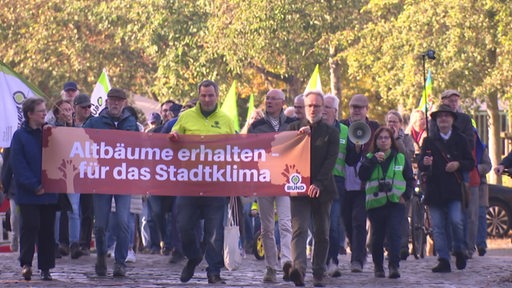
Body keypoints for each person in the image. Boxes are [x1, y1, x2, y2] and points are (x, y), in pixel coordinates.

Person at [169, 80, 235, 285]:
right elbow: (172, 140)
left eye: (211, 95)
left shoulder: (226, 120)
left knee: (214, 231)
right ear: (199, 96)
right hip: (189, 183)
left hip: (216, 183)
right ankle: (194, 256)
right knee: (184, 225)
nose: (207, 99)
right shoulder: (186, 117)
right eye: (203, 95)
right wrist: (174, 137)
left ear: (218, 96)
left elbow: (235, 149)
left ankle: (214, 272)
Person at [83, 88, 138, 277]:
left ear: (124, 103)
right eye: (112, 100)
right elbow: (78, 141)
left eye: (119, 101)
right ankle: (100, 256)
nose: (115, 104)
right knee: (100, 225)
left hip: (123, 180)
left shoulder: (132, 124)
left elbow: (143, 150)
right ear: (107, 102)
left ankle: (120, 262)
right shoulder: (95, 122)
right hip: (101, 179)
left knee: (123, 221)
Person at [287, 90, 339, 287]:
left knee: (322, 232)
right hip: (299, 189)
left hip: (323, 189)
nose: (313, 109)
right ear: (304, 106)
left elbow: (330, 161)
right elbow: (283, 154)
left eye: (317, 106)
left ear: (323, 108)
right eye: (309, 105)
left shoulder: (331, 132)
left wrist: (318, 183)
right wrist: (298, 139)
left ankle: (318, 269)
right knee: (299, 230)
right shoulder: (292, 128)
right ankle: (298, 269)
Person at [418, 104, 474, 273]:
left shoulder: (460, 139)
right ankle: (443, 258)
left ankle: (459, 249)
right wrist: (425, 163)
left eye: (446, 116)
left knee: (456, 221)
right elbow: (421, 163)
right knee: (438, 227)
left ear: (452, 119)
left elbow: (470, 163)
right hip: (435, 190)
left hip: (454, 189)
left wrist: (458, 164)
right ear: (435, 120)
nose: (443, 119)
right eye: (440, 116)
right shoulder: (428, 140)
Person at [248, 89, 294, 283]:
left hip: (285, 180)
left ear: (282, 102)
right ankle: (270, 267)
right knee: (266, 227)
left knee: (285, 223)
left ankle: (287, 263)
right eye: (267, 98)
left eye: (273, 99)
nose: (269, 101)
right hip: (264, 180)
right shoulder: (257, 126)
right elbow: (248, 152)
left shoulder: (293, 124)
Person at [10, 97, 58, 281]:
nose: (44, 114)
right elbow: (18, 165)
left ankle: (46, 267)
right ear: (30, 114)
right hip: (29, 193)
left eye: (45, 110)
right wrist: (33, 185)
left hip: (49, 192)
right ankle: (26, 264)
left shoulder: (50, 134)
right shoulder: (20, 136)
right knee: (30, 227)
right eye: (41, 111)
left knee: (47, 231)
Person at [359, 127, 415, 278]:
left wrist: (406, 196)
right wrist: (372, 161)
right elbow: (362, 176)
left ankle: (394, 266)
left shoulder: (400, 158)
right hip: (376, 204)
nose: (383, 140)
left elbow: (410, 179)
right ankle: (378, 266)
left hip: (395, 202)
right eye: (380, 138)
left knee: (394, 234)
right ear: (376, 141)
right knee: (377, 237)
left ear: (391, 141)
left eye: (386, 138)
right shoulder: (369, 157)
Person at [341, 94, 380, 272]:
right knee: (347, 221)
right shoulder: (342, 126)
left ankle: (357, 259)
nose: (356, 110)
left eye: (359, 107)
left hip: (365, 184)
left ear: (366, 110)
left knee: (358, 220)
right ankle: (356, 246)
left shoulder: (374, 128)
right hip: (344, 180)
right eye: (353, 107)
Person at [322, 93, 348, 278]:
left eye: (327, 107)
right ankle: (321, 260)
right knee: (319, 226)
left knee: (333, 225)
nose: (323, 110)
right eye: (321, 106)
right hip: (318, 182)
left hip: (337, 183)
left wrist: (357, 149)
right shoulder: (315, 128)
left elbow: (352, 160)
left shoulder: (346, 131)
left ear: (335, 111)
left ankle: (332, 261)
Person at [385, 110, 415, 260]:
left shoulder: (407, 139)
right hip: (386, 183)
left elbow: (407, 155)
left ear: (400, 124)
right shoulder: (382, 138)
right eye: (389, 122)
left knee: (402, 216)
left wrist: (397, 140)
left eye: (394, 122)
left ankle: (403, 247)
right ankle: (389, 246)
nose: (391, 125)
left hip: (402, 182)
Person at [72, 94, 94, 256]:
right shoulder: (68, 123)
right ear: (75, 107)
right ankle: (70, 242)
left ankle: (84, 243)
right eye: (84, 107)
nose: (87, 110)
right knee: (71, 209)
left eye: (89, 107)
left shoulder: (94, 123)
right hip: (69, 171)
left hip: (88, 171)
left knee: (88, 209)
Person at [476, 140, 491, 256]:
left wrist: (477, 169)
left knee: (480, 214)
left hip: (480, 185)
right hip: (463, 185)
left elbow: (488, 165)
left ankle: (481, 245)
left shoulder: (481, 148)